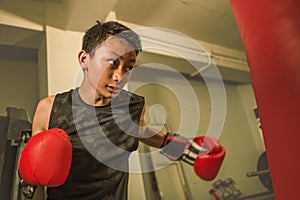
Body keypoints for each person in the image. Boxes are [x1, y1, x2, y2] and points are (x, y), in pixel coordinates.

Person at [18, 21, 225, 200]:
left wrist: (187, 150)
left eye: (128, 68)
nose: (119, 77)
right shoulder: (50, 108)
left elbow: (142, 132)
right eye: (112, 63)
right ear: (84, 59)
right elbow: (33, 175)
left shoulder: (134, 107)